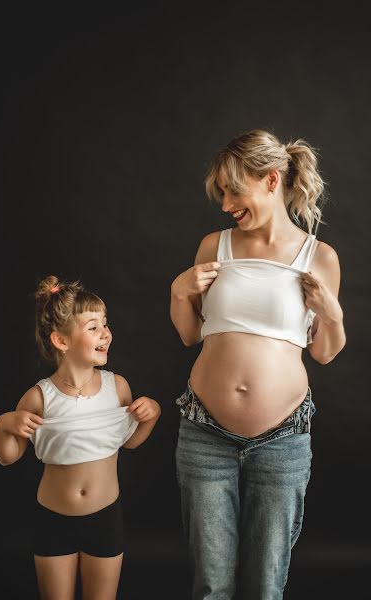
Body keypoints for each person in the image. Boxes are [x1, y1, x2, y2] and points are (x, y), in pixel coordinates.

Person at [170, 129, 346, 600]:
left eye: (233, 190)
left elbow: (325, 351)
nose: (226, 204)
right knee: (212, 584)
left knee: (266, 586)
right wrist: (178, 292)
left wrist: (332, 313)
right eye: (221, 193)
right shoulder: (214, 247)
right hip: (205, 432)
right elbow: (190, 334)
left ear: (271, 181)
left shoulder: (318, 258)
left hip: (283, 440)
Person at [0, 275, 161, 600]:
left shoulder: (118, 388)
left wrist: (151, 415)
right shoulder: (39, 397)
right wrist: (4, 425)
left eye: (106, 324)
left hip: (106, 518)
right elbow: (7, 456)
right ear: (61, 341)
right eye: (93, 327)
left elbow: (129, 441)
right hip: (53, 520)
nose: (106, 333)